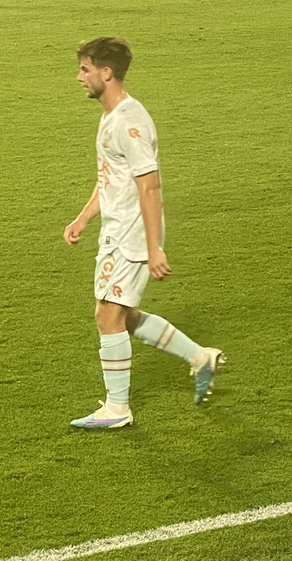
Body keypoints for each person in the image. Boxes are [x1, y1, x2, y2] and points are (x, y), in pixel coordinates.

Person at [65, 37, 224, 429]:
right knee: (124, 314)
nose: (78, 77)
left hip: (132, 235)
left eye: (85, 69)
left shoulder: (130, 122)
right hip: (116, 230)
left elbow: (149, 187)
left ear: (106, 72)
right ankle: (199, 356)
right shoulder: (111, 115)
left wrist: (153, 248)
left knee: (107, 315)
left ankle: (117, 408)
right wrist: (84, 217)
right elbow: (112, 179)